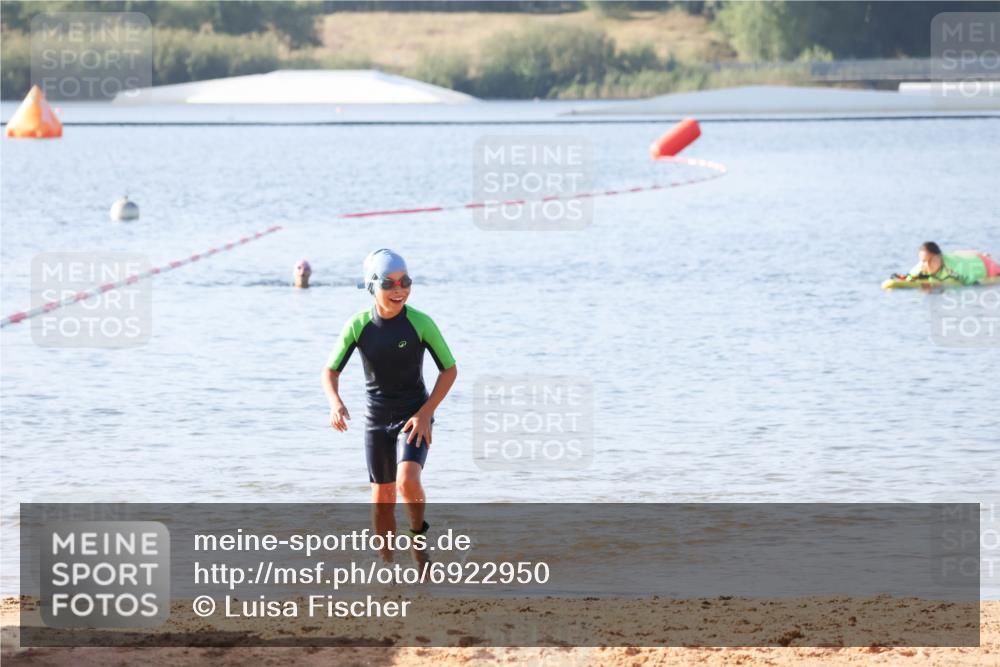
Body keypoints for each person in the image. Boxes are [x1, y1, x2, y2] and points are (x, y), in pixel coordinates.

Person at [322, 249, 457, 562]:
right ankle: (387, 567)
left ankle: (417, 538)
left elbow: (449, 370)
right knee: (382, 498)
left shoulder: (420, 323)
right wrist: (335, 402)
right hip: (377, 418)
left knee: (407, 481)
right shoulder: (358, 325)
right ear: (372, 286)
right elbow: (330, 371)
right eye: (389, 283)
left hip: (415, 414)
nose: (399, 290)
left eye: (405, 282)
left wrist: (426, 413)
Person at [896, 242, 1000, 286]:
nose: (927, 264)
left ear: (938, 257)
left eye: (930, 260)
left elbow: (971, 282)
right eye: (923, 261)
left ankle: (984, 256)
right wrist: (904, 278)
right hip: (966, 256)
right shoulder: (922, 267)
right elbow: (908, 277)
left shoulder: (952, 269)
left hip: (984, 265)